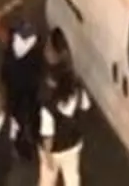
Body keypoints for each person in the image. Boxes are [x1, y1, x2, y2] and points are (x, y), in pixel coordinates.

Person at [37, 29, 92, 184]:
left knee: (47, 180)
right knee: (72, 177)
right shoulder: (78, 90)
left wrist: (47, 155)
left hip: (55, 150)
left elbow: (48, 133)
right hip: (73, 144)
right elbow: (85, 108)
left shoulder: (48, 103)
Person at [0, 0, 46, 135]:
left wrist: (7, 7)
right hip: (31, 84)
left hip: (12, 83)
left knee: (13, 107)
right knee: (32, 108)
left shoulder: (10, 38)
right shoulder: (39, 44)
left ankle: (15, 131)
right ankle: (34, 132)